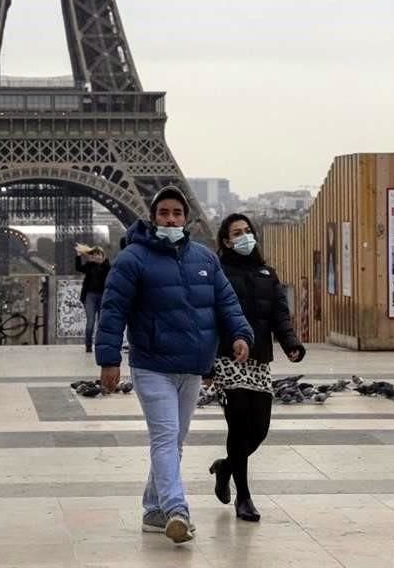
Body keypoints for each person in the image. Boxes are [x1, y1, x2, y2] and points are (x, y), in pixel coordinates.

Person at [95, 185, 254, 545]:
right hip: (152, 365)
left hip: (193, 365)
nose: (171, 219)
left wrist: (240, 334)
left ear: (186, 218)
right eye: (164, 213)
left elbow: (226, 302)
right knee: (166, 437)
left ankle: (152, 509)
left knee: (176, 441)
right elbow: (113, 311)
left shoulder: (204, 258)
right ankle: (175, 509)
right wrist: (109, 359)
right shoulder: (133, 259)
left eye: (176, 213)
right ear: (153, 218)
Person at [206, 213, 306, 522]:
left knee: (259, 430)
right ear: (226, 240)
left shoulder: (267, 273)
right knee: (238, 426)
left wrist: (291, 343)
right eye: (237, 232)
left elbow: (280, 314)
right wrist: (207, 361)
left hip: (260, 359)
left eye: (247, 231)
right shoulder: (217, 272)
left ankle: (226, 466)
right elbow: (209, 318)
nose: (244, 236)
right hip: (229, 357)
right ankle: (244, 497)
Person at [75, 244, 110, 353]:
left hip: (102, 296)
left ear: (103, 256)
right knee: (90, 322)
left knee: (101, 323)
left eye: (99, 254)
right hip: (89, 296)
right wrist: (78, 256)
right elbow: (79, 268)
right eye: (95, 255)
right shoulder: (89, 266)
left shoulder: (107, 266)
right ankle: (88, 345)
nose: (97, 257)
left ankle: (100, 345)